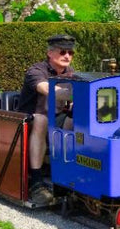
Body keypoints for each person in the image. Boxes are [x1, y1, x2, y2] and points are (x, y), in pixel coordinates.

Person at [18, 34, 77, 205]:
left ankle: (66, 173)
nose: (67, 56)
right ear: (50, 53)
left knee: (76, 119)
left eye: (71, 53)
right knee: (41, 120)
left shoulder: (71, 74)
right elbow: (46, 88)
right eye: (63, 52)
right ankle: (36, 182)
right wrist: (76, 94)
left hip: (55, 118)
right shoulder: (36, 71)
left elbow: (71, 102)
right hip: (27, 121)